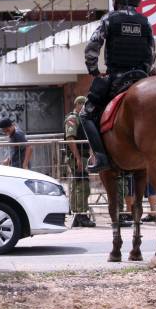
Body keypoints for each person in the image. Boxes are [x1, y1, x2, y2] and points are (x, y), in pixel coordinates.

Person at [80, 0, 156, 174]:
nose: (112, 1)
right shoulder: (144, 21)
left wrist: (94, 71)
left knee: (86, 114)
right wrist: (145, 71)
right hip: (141, 76)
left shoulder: (110, 19)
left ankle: (101, 157)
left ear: (119, 0)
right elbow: (152, 52)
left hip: (117, 79)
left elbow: (92, 46)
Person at [64, 96, 94, 227]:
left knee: (79, 185)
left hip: (83, 156)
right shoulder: (73, 118)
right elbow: (70, 138)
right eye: (83, 105)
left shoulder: (82, 118)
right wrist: (77, 158)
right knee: (82, 186)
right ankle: (81, 215)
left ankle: (78, 215)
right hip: (77, 157)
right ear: (78, 105)